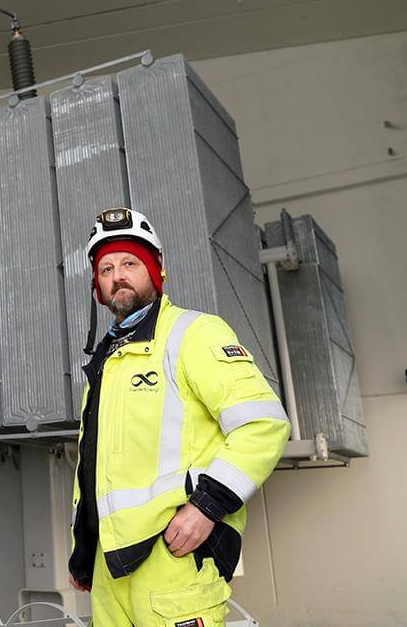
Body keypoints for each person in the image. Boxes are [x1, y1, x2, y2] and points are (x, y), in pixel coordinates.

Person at [68, 207, 290, 627]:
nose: (118, 276)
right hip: (109, 569)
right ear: (97, 287)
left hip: (172, 559)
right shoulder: (107, 361)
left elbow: (263, 424)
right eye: (106, 268)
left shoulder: (194, 333)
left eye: (130, 263)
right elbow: (98, 468)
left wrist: (206, 508)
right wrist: (85, 550)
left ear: (156, 271)